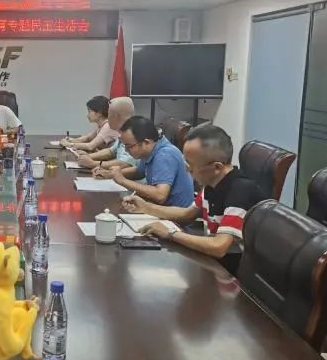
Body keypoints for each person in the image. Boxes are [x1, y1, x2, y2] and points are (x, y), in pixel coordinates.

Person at [123, 124, 266, 274]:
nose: (186, 169)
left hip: (234, 272)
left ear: (217, 167)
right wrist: (145, 207)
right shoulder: (212, 183)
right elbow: (187, 214)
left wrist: (170, 234)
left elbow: (219, 247)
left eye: (191, 165)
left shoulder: (240, 192)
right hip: (215, 264)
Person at [96, 116, 194, 207]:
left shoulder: (164, 155)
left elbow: (160, 195)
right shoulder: (152, 149)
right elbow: (139, 172)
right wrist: (110, 174)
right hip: (159, 208)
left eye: (129, 146)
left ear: (146, 142)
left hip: (175, 215)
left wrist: (122, 181)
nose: (126, 150)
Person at [78, 97, 137, 170]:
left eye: (108, 114)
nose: (107, 118)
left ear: (115, 116)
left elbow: (124, 163)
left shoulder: (132, 134)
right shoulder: (122, 132)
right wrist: (88, 156)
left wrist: (93, 163)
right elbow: (110, 152)